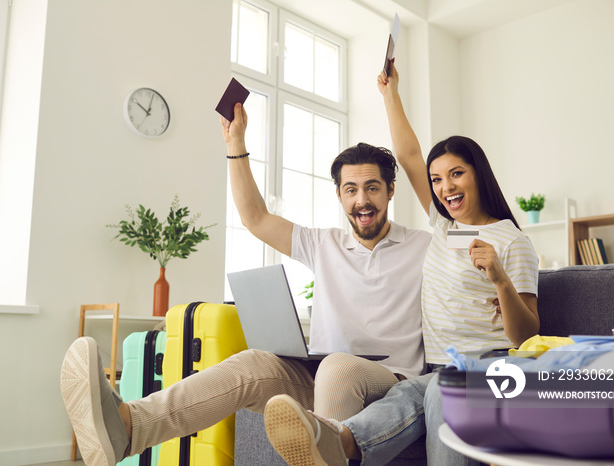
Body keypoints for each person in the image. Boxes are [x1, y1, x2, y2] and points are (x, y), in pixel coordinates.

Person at [60, 102, 432, 466]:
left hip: (391, 382)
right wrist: (235, 144)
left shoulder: (424, 246)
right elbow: (255, 218)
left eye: (372, 188)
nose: (362, 200)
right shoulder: (324, 244)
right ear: (339, 195)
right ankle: (132, 427)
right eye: (351, 190)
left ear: (390, 190)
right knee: (251, 365)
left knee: (339, 367)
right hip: (322, 376)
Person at [262, 62, 540, 465]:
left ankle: (336, 440)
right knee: (407, 394)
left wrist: (500, 280)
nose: (445, 187)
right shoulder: (447, 230)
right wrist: (390, 94)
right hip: (437, 367)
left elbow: (526, 336)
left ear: (478, 175)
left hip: (490, 365)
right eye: (438, 179)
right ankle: (336, 441)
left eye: (457, 174)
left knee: (443, 390)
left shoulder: (514, 242)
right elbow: (409, 155)